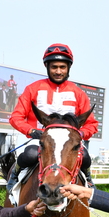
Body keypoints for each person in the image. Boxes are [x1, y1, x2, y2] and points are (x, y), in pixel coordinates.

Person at [6, 43, 99, 194]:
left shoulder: (79, 93)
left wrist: (80, 134)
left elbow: (92, 124)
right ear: (47, 67)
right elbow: (16, 117)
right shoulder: (32, 89)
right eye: (54, 67)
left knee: (85, 156)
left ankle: (88, 179)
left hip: (68, 142)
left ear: (68, 68)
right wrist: (31, 130)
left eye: (62, 67)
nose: (58, 71)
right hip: (41, 139)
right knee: (30, 154)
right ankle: (14, 177)